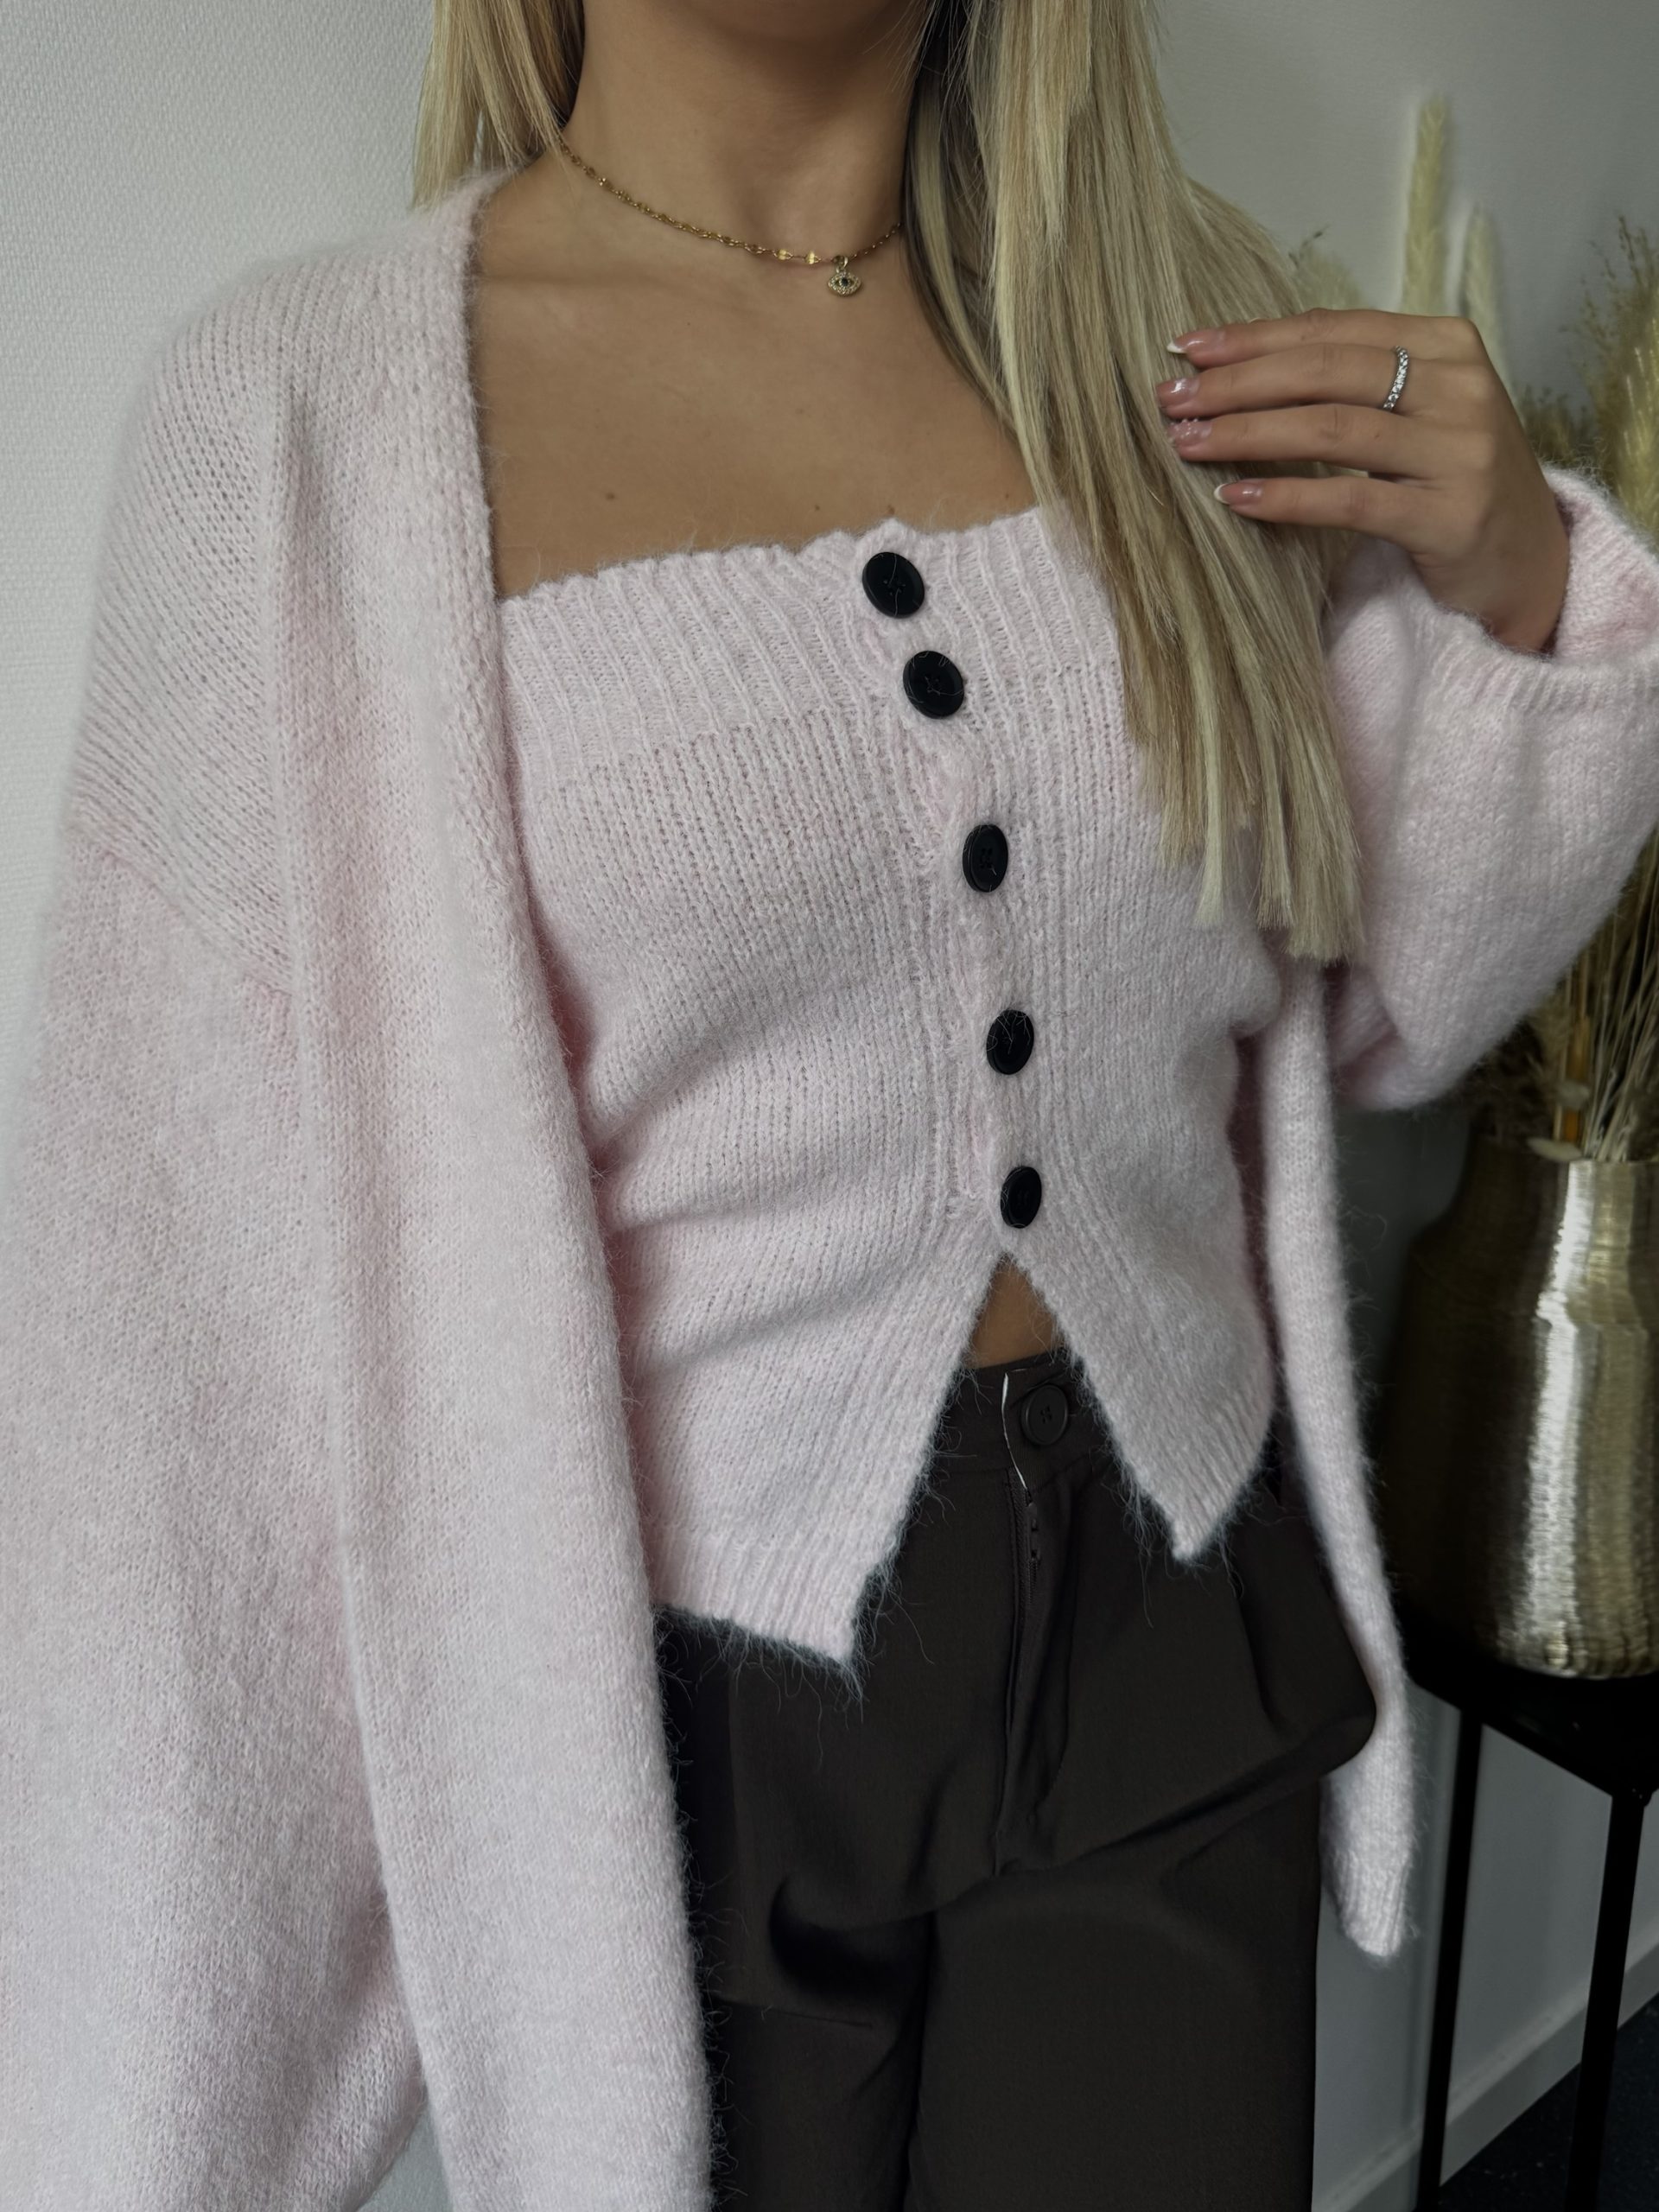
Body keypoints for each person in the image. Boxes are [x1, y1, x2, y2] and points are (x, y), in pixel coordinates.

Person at [5, 3, 1659, 2207]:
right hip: (675, 1745)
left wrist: (1524, 591)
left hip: (1176, 1625)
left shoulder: (1171, 341)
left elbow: (1390, 1005)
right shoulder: (300, 422)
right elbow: (169, 1326)